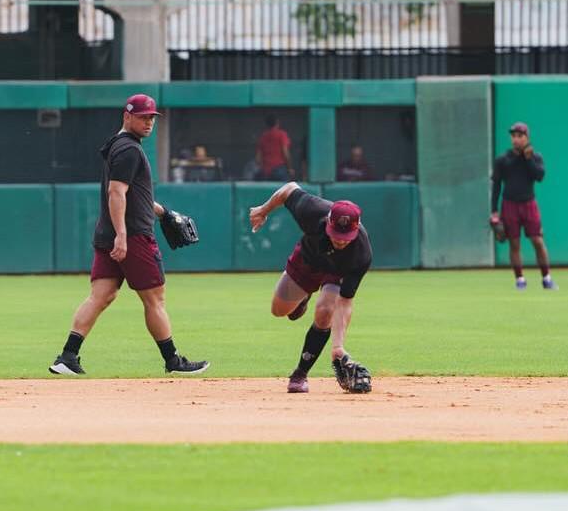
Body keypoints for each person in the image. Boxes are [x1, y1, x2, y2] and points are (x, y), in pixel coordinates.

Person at [49, 93, 210, 376]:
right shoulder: (130, 150)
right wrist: (122, 236)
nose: (149, 122)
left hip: (109, 232)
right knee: (155, 299)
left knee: (101, 295)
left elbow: (132, 193)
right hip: (132, 235)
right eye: (143, 117)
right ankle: (173, 360)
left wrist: (163, 213)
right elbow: (117, 193)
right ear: (127, 116)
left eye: (152, 118)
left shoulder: (119, 145)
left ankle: (67, 356)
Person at [249, 183, 373, 393]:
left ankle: (300, 374)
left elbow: (345, 301)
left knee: (325, 311)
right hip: (306, 261)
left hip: (335, 273)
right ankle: (302, 298)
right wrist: (263, 209)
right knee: (279, 310)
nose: (340, 241)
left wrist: (337, 347)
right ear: (328, 222)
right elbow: (288, 189)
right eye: (335, 234)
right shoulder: (313, 211)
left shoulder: (361, 254)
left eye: (345, 238)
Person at [491, 121, 557, 291]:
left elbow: (539, 176)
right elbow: (496, 185)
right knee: (514, 243)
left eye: (520, 136)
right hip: (509, 205)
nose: (516, 139)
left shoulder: (535, 157)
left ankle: (546, 278)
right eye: (513, 136)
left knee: (537, 240)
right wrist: (494, 211)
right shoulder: (503, 160)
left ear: (527, 137)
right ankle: (520, 279)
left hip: (529, 204)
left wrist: (528, 159)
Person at [256, 115, 294, 181]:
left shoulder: (263, 136)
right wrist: (289, 168)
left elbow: (258, 158)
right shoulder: (282, 134)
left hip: (266, 171)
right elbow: (285, 153)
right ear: (277, 123)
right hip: (279, 169)